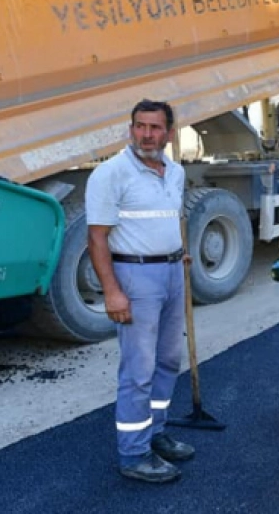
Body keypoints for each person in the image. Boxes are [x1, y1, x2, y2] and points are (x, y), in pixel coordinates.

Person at [85, 99, 194, 484]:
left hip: (170, 273)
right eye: (140, 126)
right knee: (138, 369)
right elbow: (96, 238)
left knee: (167, 361)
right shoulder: (111, 174)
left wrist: (179, 255)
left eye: (155, 127)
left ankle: (155, 431)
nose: (147, 134)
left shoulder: (175, 172)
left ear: (169, 132)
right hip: (135, 277)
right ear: (130, 128)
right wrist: (112, 292)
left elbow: (168, 219)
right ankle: (133, 454)